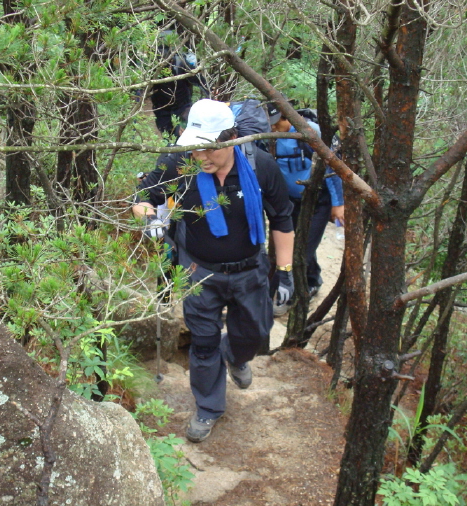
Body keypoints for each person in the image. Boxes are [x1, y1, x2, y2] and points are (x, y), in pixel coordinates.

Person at [133, 99, 295, 443]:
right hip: (199, 271)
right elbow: (144, 197)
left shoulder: (260, 166)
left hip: (251, 269)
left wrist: (285, 271)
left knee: (255, 331)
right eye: (196, 149)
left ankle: (237, 356)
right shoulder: (179, 164)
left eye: (209, 149)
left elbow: (282, 220)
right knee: (204, 344)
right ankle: (208, 408)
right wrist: (150, 219)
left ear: (230, 137)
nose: (201, 157)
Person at [266, 103, 344, 315]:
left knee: (302, 250)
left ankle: (292, 297)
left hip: (317, 201)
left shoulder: (308, 133)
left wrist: (338, 204)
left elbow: (333, 167)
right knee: (296, 244)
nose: (275, 127)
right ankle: (312, 279)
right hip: (290, 201)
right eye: (271, 124)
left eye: (279, 122)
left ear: (288, 116)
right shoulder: (271, 138)